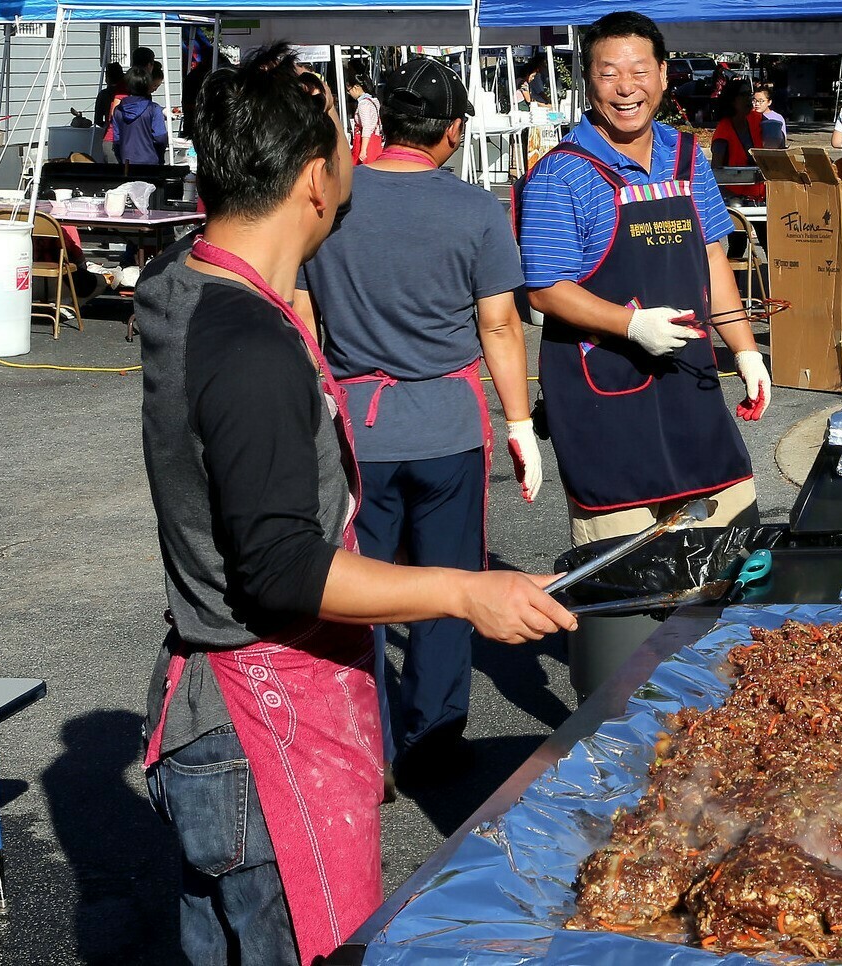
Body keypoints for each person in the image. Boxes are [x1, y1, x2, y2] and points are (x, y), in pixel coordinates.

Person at [137, 44, 573, 966]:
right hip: (259, 725)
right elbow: (284, 567)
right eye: (342, 149)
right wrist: (466, 594)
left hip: (224, 711)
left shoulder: (185, 281)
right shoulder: (246, 341)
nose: (356, 164)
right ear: (313, 182)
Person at [293, 56, 540, 783]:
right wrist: (521, 425)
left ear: (383, 122)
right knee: (447, 582)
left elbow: (304, 314)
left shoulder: (334, 203)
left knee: (359, 589)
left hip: (355, 427)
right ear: (455, 131)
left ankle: (365, 740)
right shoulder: (475, 211)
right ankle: (433, 739)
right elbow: (499, 327)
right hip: (447, 426)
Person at [519, 11, 772, 546]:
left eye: (639, 71)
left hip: (689, 384)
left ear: (663, 73)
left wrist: (746, 350)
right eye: (609, 73)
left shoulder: (687, 157)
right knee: (626, 576)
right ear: (588, 80)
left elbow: (710, 257)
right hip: (604, 398)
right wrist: (631, 326)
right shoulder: (559, 173)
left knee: (730, 553)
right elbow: (545, 287)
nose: (626, 88)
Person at [111, 61, 168, 167]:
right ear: (148, 85)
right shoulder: (153, 108)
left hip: (127, 161)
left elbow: (117, 140)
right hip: (150, 161)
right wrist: (160, 156)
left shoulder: (118, 110)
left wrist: (121, 157)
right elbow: (161, 138)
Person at [347, 70, 383, 164]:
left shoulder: (363, 104)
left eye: (349, 90)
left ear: (356, 88)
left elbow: (367, 127)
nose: (349, 93)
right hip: (375, 140)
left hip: (365, 143)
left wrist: (363, 150)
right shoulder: (374, 100)